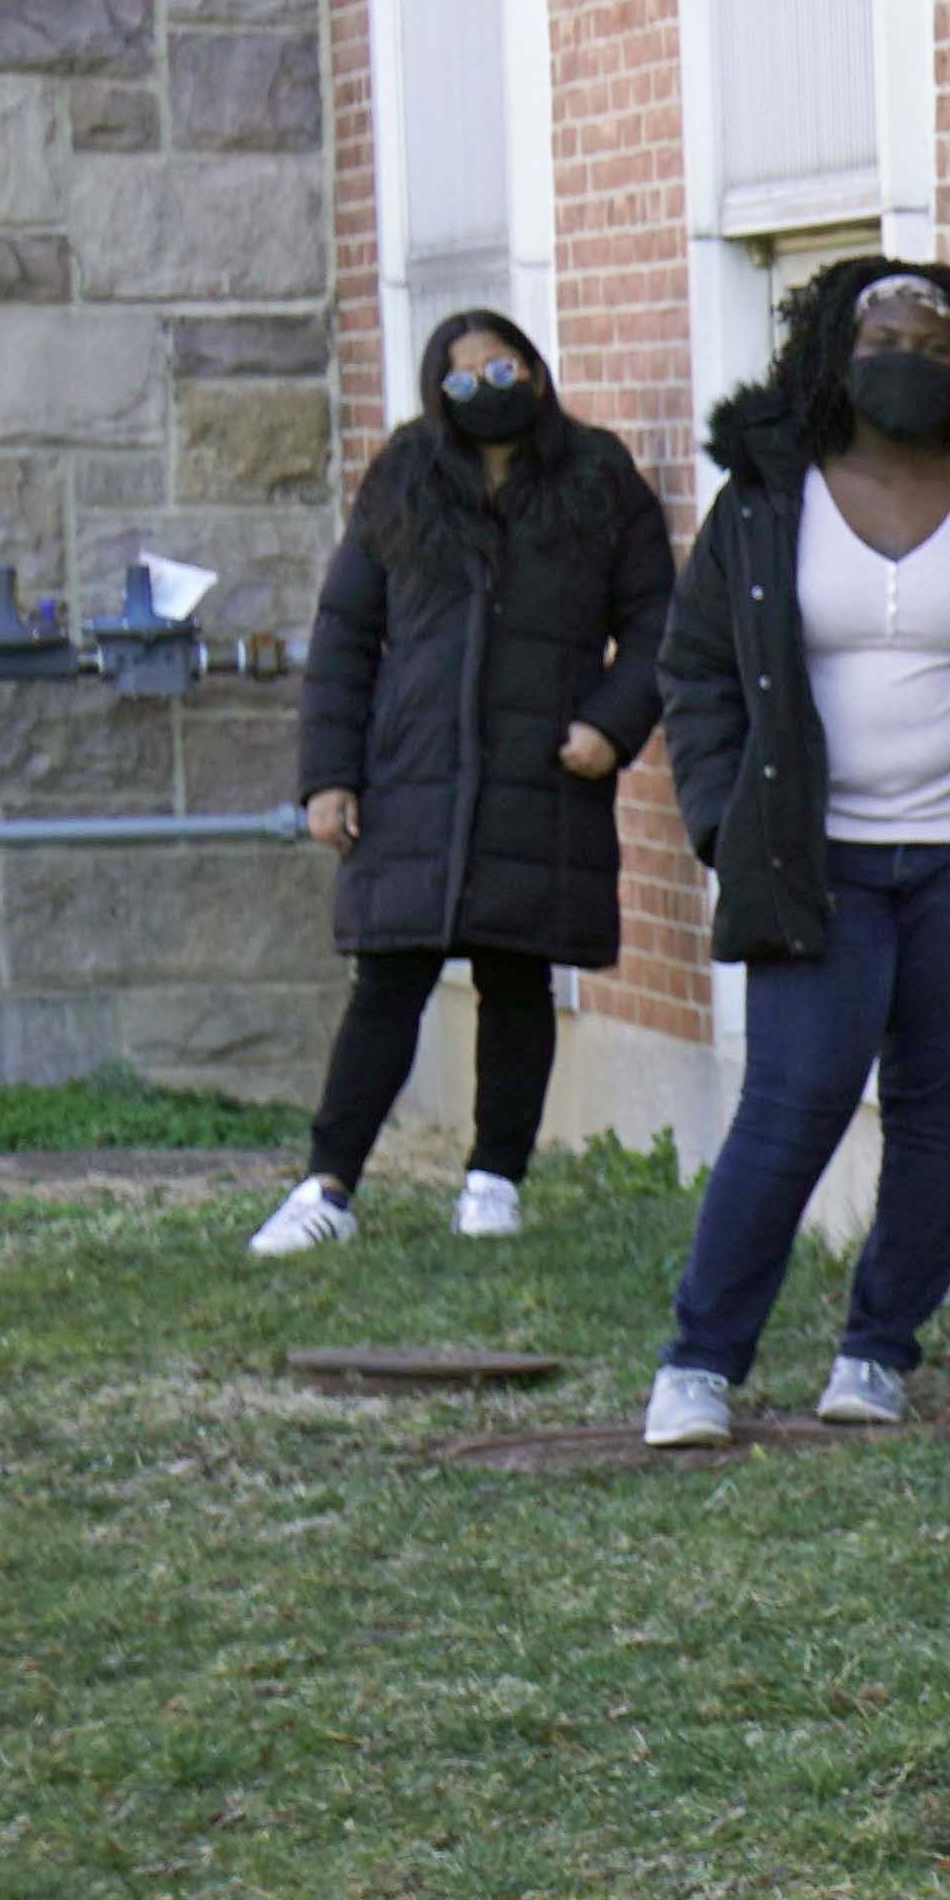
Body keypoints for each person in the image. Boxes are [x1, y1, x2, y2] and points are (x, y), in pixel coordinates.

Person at [646, 264, 950, 1448]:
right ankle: (698, 1363)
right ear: (833, 356)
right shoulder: (765, 497)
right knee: (791, 1102)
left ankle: (876, 1353)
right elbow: (694, 668)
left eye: (934, 339)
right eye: (884, 334)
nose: (910, 354)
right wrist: (719, 821)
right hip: (814, 859)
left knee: (939, 1110)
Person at [255, 311, 669, 1254]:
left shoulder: (599, 478)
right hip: (413, 777)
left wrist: (612, 724)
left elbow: (656, 622)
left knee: (518, 976)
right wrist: (329, 775)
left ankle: (494, 1181)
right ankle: (327, 1186)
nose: (489, 388)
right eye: (466, 376)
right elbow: (346, 633)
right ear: (437, 389)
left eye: (505, 367)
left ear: (535, 367)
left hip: (543, 776)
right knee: (388, 978)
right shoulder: (404, 477)